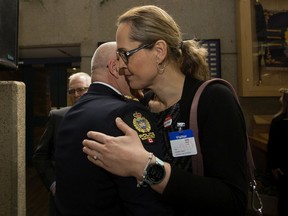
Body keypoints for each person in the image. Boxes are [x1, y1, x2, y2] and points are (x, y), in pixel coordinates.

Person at [82, 5, 249, 216]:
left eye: (125, 54)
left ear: (159, 51)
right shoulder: (143, 107)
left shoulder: (213, 99)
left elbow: (232, 200)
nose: (121, 65)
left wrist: (145, 166)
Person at [54, 41, 173, 216]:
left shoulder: (70, 113)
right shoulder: (126, 113)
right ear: (114, 67)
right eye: (127, 63)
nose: (132, 70)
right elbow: (147, 197)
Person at [32, 71, 91, 216]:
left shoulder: (105, 115)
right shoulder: (57, 117)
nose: (76, 94)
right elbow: (40, 156)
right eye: (72, 91)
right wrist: (53, 184)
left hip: (94, 197)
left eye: (81, 89)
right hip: (62, 200)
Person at [267, 88, 288, 216]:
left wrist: (273, 166)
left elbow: (272, 146)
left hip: (283, 168)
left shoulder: (277, 121)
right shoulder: (278, 121)